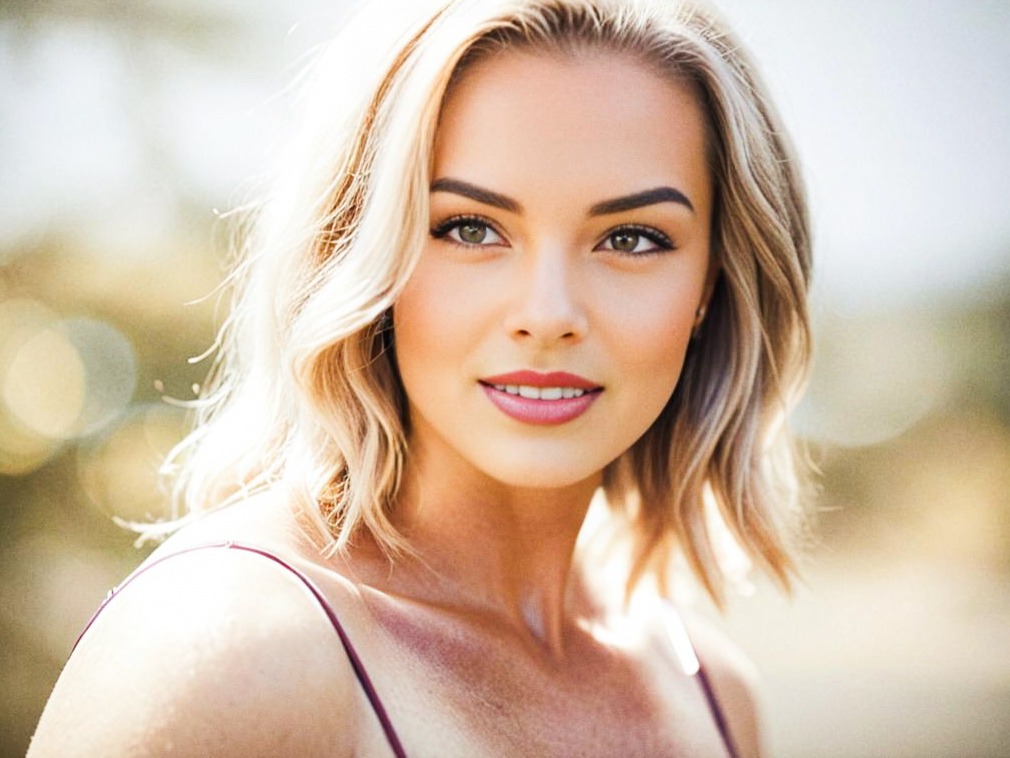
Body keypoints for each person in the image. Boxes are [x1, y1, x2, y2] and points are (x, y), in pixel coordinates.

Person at [29, 0, 812, 755]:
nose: (548, 314)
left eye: (633, 238)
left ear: (714, 281)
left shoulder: (711, 696)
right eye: (470, 229)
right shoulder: (231, 653)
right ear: (362, 249)